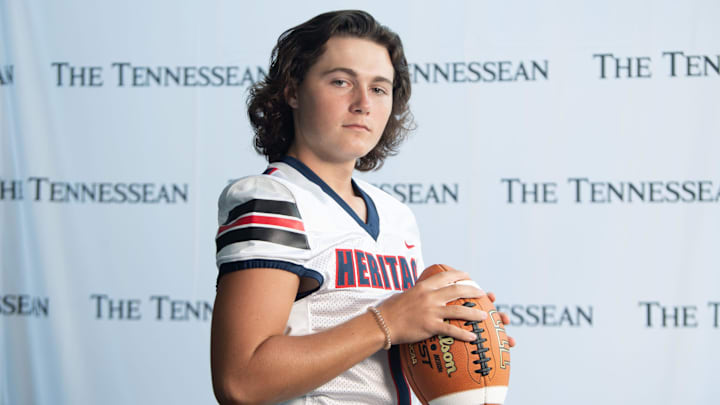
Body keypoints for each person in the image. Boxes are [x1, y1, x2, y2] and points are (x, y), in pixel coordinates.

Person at [211, 10, 514, 404]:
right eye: (341, 81)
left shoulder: (396, 216)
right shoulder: (273, 199)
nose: (362, 104)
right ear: (292, 91)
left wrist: (458, 343)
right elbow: (241, 380)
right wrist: (388, 321)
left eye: (379, 88)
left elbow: (379, 361)